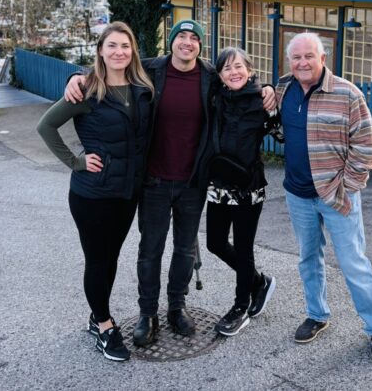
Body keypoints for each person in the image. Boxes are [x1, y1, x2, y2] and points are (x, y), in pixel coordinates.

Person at [63, 19, 276, 347]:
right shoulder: (149, 70)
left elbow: (240, 79)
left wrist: (266, 88)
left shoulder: (210, 77)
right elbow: (110, 69)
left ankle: (177, 307)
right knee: (150, 251)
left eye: (194, 38)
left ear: (200, 46)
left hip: (193, 181)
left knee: (184, 250)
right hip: (154, 180)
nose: (187, 42)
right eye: (181, 36)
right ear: (172, 41)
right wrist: (75, 77)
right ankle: (147, 314)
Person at [274, 31, 372, 364]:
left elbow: (367, 148)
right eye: (296, 57)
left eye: (308, 56)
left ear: (323, 58)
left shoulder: (347, 94)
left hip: (337, 196)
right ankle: (317, 314)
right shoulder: (284, 90)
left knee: (354, 263)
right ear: (290, 61)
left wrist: (347, 186)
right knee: (308, 259)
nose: (302, 62)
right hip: (297, 195)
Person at [37, 21, 153, 362]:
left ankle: (96, 315)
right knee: (98, 259)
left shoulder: (142, 87)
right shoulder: (86, 89)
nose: (119, 52)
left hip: (126, 192)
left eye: (125, 46)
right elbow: (45, 126)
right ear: (100, 51)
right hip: (92, 195)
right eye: (112, 46)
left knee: (112, 257)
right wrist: (75, 162)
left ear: (133, 51)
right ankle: (103, 325)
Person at [205, 47, 278, 337]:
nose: (233, 72)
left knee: (244, 248)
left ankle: (241, 306)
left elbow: (282, 134)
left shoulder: (262, 100)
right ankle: (258, 282)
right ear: (220, 76)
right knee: (215, 243)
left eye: (239, 67)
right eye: (226, 69)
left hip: (249, 186)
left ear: (249, 69)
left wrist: (273, 96)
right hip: (219, 184)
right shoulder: (213, 99)